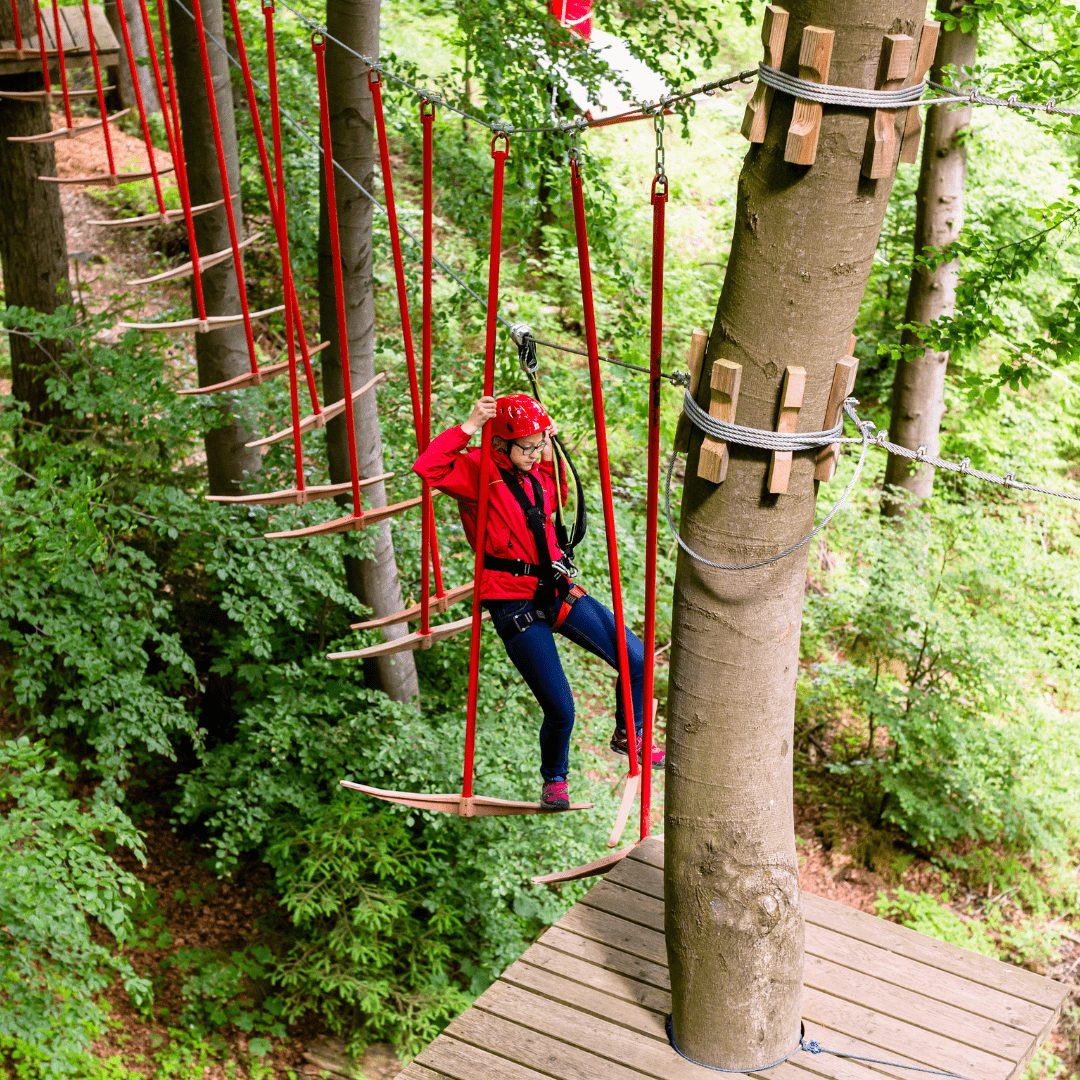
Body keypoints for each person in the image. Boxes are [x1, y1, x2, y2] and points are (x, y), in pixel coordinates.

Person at [413, 393, 664, 811]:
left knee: (636, 658)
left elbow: (554, 487)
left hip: (555, 588)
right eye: (525, 447)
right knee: (562, 709)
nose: (534, 454)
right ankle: (555, 780)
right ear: (501, 444)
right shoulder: (477, 471)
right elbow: (429, 467)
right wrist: (470, 425)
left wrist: (548, 441)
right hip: (512, 601)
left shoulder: (540, 472)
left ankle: (629, 734)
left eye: (538, 445)